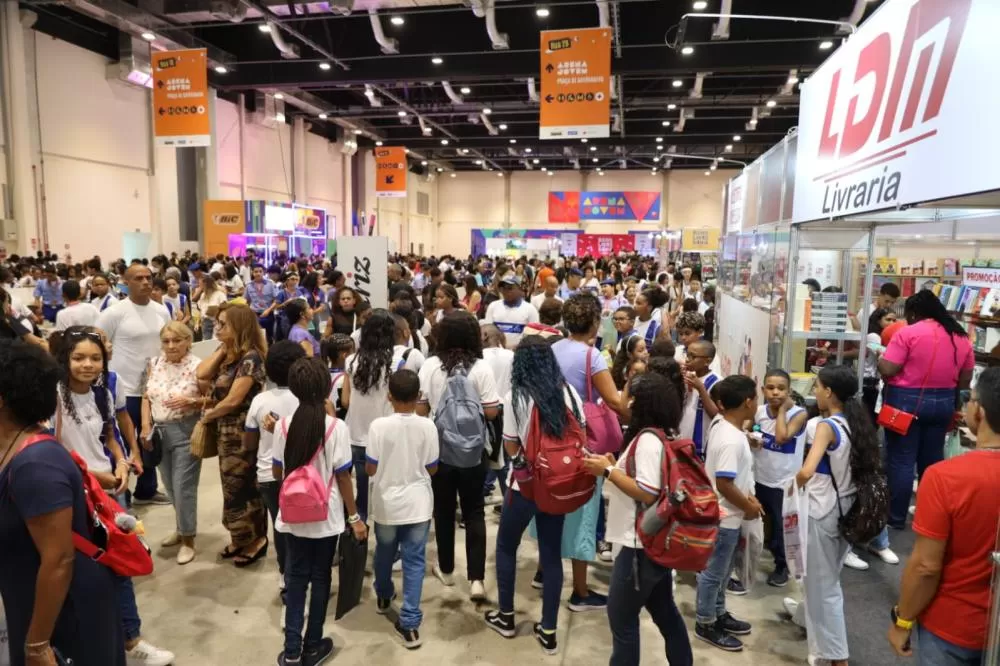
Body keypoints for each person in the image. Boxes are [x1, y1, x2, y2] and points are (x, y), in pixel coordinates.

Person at [51, 327, 175, 666]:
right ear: (65, 359)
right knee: (74, 572)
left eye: (95, 358)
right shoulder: (53, 398)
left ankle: (131, 639)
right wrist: (92, 477)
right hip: (72, 494)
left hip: (109, 492)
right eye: (78, 358)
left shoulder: (103, 393)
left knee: (121, 565)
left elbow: (110, 433)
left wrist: (121, 461)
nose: (87, 365)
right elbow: (50, 451)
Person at [0, 340, 126, 666]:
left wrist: (38, 644)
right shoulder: (14, 449)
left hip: (64, 609)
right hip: (31, 597)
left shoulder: (36, 463)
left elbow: (58, 559)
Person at [887, 368, 1000, 665]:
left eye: (969, 399)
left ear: (980, 412)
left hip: (955, 626)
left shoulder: (945, 477)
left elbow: (926, 566)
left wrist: (903, 620)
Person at [582, 372, 694, 666]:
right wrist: (612, 466)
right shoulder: (657, 434)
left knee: (622, 619)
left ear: (635, 400)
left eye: (625, 389)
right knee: (664, 612)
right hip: (651, 544)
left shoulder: (647, 440)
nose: (619, 393)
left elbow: (647, 491)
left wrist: (607, 472)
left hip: (639, 547)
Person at [485, 336, 584, 656]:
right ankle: (550, 631)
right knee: (552, 554)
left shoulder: (516, 395)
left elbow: (512, 445)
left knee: (505, 545)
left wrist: (524, 463)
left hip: (524, 487)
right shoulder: (570, 393)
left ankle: (507, 617)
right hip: (560, 485)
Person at [272, 357, 367, 666]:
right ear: (326, 387)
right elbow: (342, 476)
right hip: (326, 518)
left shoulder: (282, 425)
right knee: (321, 575)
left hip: (292, 517)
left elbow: (277, 472)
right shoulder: (335, 427)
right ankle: (313, 645)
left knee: (295, 577)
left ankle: (291, 651)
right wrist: (354, 517)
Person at [795, 365, 881, 666]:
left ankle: (837, 657)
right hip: (847, 510)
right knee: (825, 577)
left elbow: (806, 471)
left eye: (817, 386)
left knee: (826, 586)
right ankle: (805, 618)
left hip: (823, 510)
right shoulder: (855, 423)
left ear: (829, 392)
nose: (815, 391)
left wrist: (790, 485)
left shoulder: (826, 426)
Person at [547, 293, 628, 609]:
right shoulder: (591, 356)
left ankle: (544, 571)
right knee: (583, 514)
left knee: (553, 507)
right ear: (595, 322)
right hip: (584, 442)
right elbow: (614, 402)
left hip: (555, 438)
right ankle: (580, 591)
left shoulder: (552, 349)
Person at [417, 311, 500, 601]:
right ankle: (476, 579)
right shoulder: (481, 368)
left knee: (442, 510)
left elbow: (420, 410)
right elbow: (491, 411)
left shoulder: (429, 366)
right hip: (473, 452)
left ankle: (447, 569)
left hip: (438, 452)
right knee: (475, 510)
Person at [878, 290, 974, 530]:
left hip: (905, 402)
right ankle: (929, 517)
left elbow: (888, 369)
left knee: (901, 460)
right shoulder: (960, 337)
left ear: (913, 313)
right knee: (932, 463)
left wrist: (881, 359)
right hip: (943, 403)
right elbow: (965, 379)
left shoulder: (907, 333)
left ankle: (896, 518)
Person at [367, 369, 439, 649]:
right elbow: (433, 468)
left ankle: (384, 594)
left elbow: (371, 467)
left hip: (386, 503)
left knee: (384, 551)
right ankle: (409, 623)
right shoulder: (428, 426)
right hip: (419, 503)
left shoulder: (378, 426)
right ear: (418, 396)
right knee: (414, 561)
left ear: (389, 396)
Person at [196, 304, 269, 567]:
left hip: (242, 432)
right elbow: (201, 373)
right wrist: (224, 347)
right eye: (218, 323)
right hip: (225, 432)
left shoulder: (251, 358)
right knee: (231, 487)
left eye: (224, 324)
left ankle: (256, 539)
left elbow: (233, 400)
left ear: (239, 326)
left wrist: (209, 415)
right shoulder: (228, 354)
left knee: (244, 487)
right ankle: (240, 537)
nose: (218, 328)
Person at [96, 264, 172, 506]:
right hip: (125, 390)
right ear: (125, 283)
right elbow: (97, 342)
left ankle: (147, 490)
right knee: (125, 442)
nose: (146, 282)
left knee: (149, 440)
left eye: (149, 278)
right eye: (138, 278)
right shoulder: (114, 313)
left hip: (153, 390)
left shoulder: (162, 311)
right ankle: (121, 493)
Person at [695, 374, 760, 652]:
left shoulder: (722, 424)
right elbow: (724, 481)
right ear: (748, 402)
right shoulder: (732, 439)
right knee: (714, 573)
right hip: (724, 517)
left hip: (727, 515)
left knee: (722, 572)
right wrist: (748, 507)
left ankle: (719, 612)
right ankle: (706, 621)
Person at [139, 321, 203, 565]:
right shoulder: (154, 364)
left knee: (183, 486)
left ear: (188, 341)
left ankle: (188, 539)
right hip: (158, 432)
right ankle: (181, 527)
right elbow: (146, 396)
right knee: (169, 484)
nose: (171, 345)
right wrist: (145, 426)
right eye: (166, 341)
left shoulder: (198, 366)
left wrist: (191, 401)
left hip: (186, 430)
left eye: (177, 340)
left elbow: (209, 399)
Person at [245, 341, 306, 596]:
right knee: (303, 527)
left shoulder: (260, 400)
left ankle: (285, 576)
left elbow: (249, 441)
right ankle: (303, 575)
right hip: (303, 475)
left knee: (279, 525)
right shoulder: (306, 397)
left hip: (268, 473)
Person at [752, 368, 809, 588]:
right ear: (763, 389)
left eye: (781, 388)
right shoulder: (758, 412)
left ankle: (782, 566)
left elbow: (782, 437)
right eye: (771, 388)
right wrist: (752, 438)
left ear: (790, 390)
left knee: (781, 528)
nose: (776, 393)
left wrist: (783, 410)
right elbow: (753, 431)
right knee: (761, 523)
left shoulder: (799, 414)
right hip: (760, 477)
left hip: (783, 483)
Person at [341, 310, 399, 522]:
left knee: (362, 492)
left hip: (356, 433)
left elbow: (345, 401)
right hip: (386, 434)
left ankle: (360, 532)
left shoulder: (350, 361)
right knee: (387, 488)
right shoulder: (394, 363)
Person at [678, 340, 720, 460]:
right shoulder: (686, 376)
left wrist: (701, 389)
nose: (687, 359)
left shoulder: (716, 381)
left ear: (708, 360)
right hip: (682, 436)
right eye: (687, 354)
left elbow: (716, 415)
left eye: (693, 356)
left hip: (701, 443)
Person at [483, 275, 540, 349]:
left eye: (510, 288)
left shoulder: (530, 309)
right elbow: (488, 332)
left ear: (520, 289)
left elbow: (534, 336)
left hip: (520, 353)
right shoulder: (493, 306)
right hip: (497, 353)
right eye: (503, 288)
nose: (506, 291)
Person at [245, 264, 278, 344]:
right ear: (252, 273)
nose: (258, 273)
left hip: (268, 314)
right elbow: (247, 301)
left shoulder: (270, 283)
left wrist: (269, 310)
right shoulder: (249, 286)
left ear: (264, 272)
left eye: (260, 271)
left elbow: (276, 300)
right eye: (256, 271)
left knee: (269, 337)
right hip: (254, 314)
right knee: (256, 338)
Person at [195, 274, 227, 341]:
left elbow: (225, 309)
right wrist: (197, 323)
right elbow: (201, 310)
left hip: (216, 322)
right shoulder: (203, 295)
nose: (199, 286)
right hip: (205, 323)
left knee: (217, 341)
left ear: (206, 284)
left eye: (200, 284)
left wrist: (216, 311)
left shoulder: (219, 295)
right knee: (206, 342)